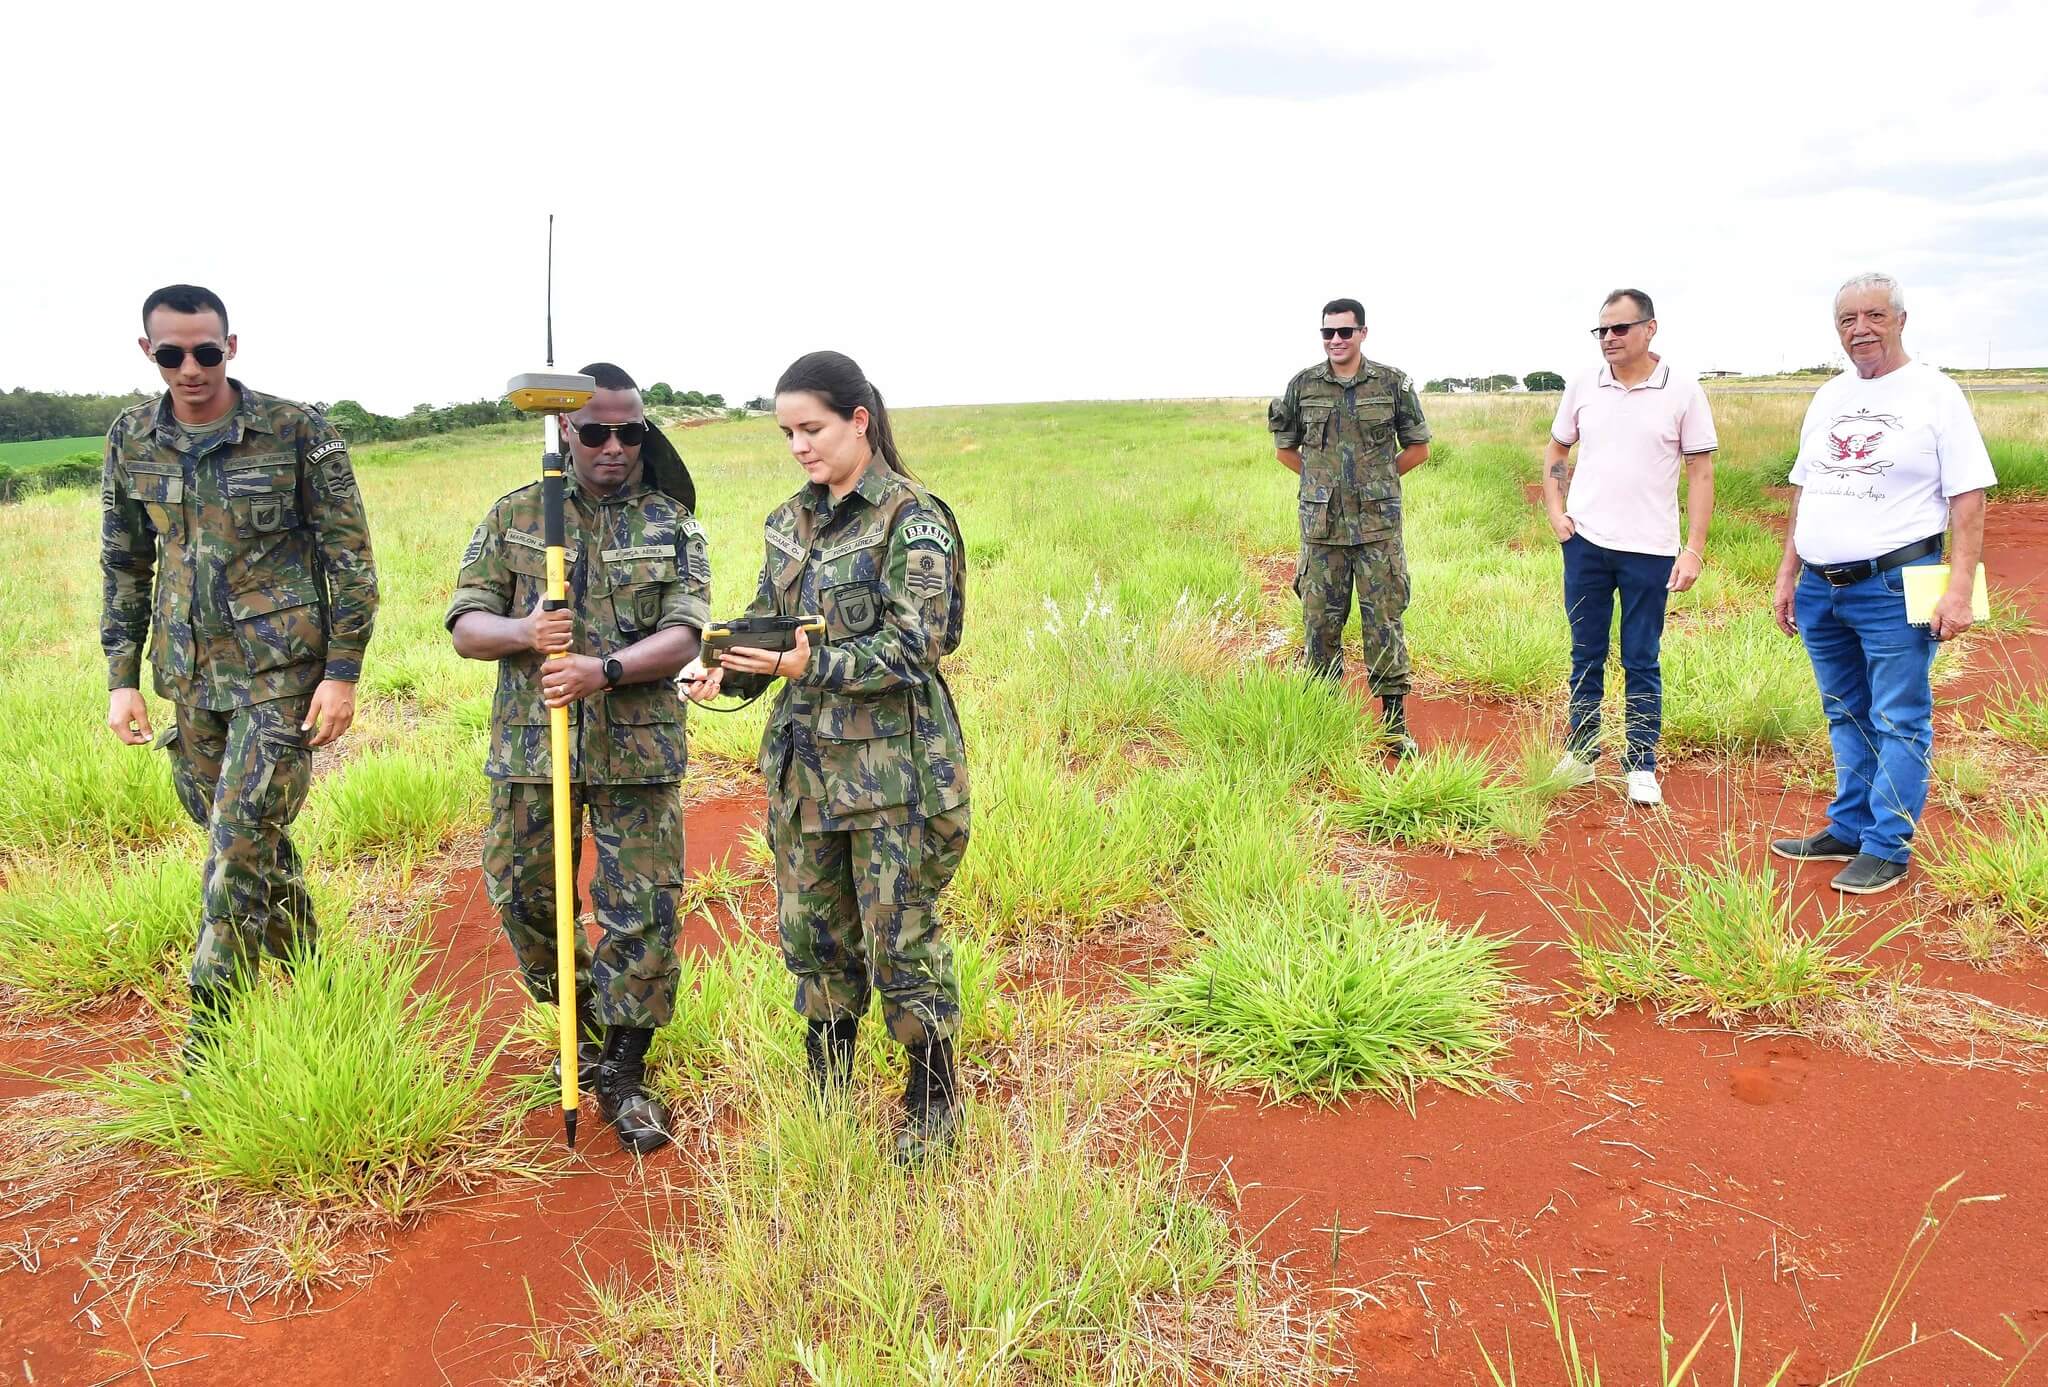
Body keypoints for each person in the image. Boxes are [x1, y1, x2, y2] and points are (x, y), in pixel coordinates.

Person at [689, 350, 969, 1164]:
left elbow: (919, 645)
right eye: (785, 433)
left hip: (894, 777)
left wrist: (806, 664)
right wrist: (728, 666)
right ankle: (829, 1081)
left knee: (902, 939)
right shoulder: (789, 521)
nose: (798, 446)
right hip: (805, 770)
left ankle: (933, 1095)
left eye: (810, 428)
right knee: (814, 933)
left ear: (859, 421)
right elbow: (764, 625)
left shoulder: (911, 519)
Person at [100, 284, 378, 1059]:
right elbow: (124, 563)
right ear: (148, 352)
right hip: (187, 678)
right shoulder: (131, 437)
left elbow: (349, 560)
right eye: (171, 354)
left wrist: (343, 671)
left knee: (235, 842)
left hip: (280, 676)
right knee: (250, 843)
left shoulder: (295, 430)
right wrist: (123, 675)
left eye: (206, 351)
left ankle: (210, 1033)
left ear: (232, 346)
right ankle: (315, 974)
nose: (190, 368)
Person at [446, 362, 709, 1154]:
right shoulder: (519, 515)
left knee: (642, 908)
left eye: (630, 432)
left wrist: (607, 669)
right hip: (533, 750)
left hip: (636, 749)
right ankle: (584, 1033)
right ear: (565, 429)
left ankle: (626, 1070)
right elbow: (465, 624)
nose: (613, 447)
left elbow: (687, 630)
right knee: (524, 893)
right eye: (594, 431)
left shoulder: (672, 522)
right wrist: (526, 633)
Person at [1769, 273, 1995, 895]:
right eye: (1847, 320)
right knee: (1845, 711)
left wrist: (1958, 588)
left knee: (1899, 717)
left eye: (1873, 316)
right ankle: (1846, 826)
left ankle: (1887, 845)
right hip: (1821, 585)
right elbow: (1804, 490)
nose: (1860, 329)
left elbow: (1968, 501)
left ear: (1899, 320)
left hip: (1898, 582)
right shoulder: (1829, 396)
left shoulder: (1937, 394)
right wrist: (1788, 572)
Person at [1541, 289, 1718, 807]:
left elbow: (1701, 470)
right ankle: (1580, 752)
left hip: (1650, 549)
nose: (1609, 339)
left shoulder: (1682, 389)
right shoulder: (1584, 385)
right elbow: (1557, 448)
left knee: (1642, 656)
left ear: (1650, 328)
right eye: (1602, 331)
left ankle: (1641, 762)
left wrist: (1694, 548)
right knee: (1585, 652)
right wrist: (1557, 510)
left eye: (1620, 329)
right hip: (1586, 544)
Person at [1268, 297, 1432, 756]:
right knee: (1320, 625)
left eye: (1345, 332)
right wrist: (1322, 484)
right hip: (1322, 530)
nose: (1336, 340)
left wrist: (1376, 482)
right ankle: (1323, 718)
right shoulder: (1303, 387)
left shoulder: (1392, 384)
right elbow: (1285, 450)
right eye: (1328, 333)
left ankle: (1395, 726)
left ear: (1363, 332)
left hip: (1378, 530)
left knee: (1384, 621)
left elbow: (1418, 448)